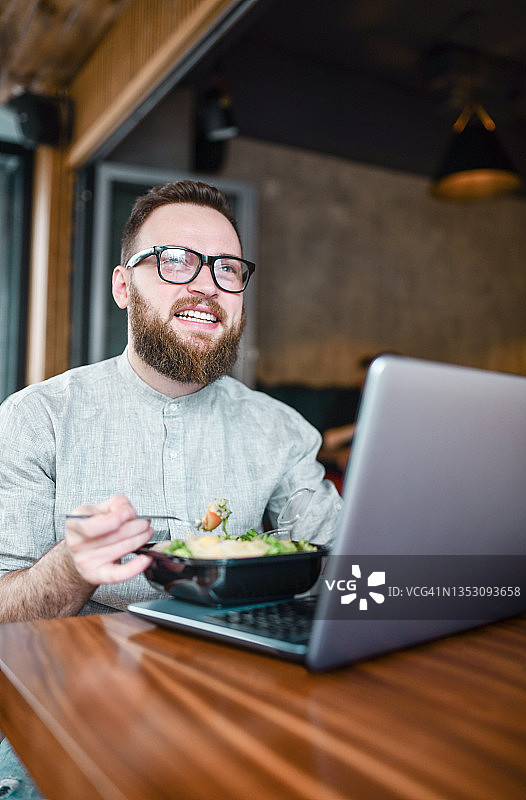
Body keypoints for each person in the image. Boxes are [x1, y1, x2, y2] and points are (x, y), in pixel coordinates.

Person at [0, 179, 342, 797]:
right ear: (123, 286)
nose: (207, 284)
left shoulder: (283, 431)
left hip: (241, 710)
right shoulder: (35, 418)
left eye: (227, 268)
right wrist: (71, 567)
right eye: (175, 261)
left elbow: (346, 571)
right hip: (66, 721)